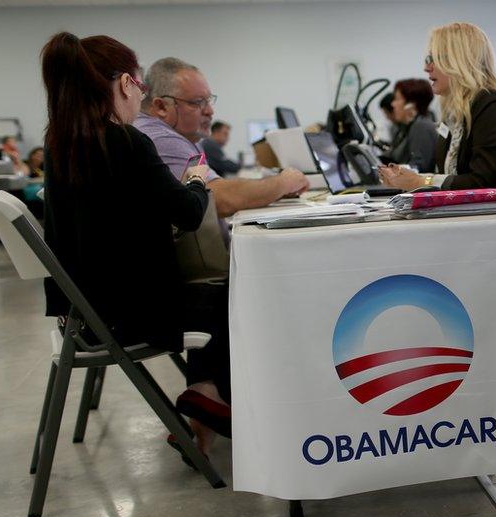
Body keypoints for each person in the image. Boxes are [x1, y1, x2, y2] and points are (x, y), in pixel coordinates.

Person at [39, 32, 229, 458]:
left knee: (210, 292)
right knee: (229, 291)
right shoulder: (126, 142)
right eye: (139, 88)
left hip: (85, 315)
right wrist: (197, 180)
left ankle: (205, 396)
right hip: (133, 315)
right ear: (126, 84)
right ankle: (210, 394)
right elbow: (188, 212)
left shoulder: (59, 144)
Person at [135, 57, 308, 220]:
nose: (210, 111)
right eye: (197, 102)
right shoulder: (161, 138)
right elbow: (219, 199)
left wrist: (270, 190)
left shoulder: (184, 137)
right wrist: (283, 182)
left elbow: (216, 188)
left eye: (209, 101)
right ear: (161, 106)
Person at [380, 22, 496, 191]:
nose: (427, 67)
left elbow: (482, 182)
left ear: (459, 61)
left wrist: (421, 182)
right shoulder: (453, 113)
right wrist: (413, 180)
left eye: (434, 59)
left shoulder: (493, 105)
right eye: (428, 59)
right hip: (471, 212)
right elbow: (448, 174)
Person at [385, 79, 437, 173]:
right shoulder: (408, 127)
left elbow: (419, 167)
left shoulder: (421, 127)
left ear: (410, 105)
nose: (393, 104)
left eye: (397, 99)